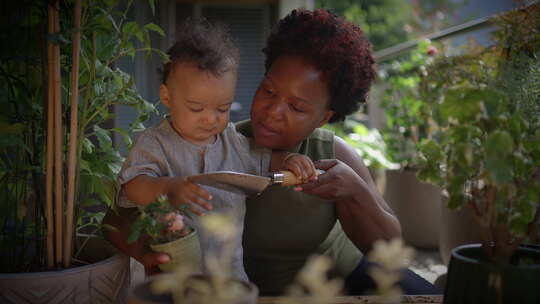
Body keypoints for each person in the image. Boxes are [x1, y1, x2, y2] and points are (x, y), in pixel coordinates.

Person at [104, 9, 440, 296]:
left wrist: (354, 190)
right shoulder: (225, 141)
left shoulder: (328, 152)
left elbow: (389, 250)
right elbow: (115, 220)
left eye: (295, 106)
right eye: (268, 90)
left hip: (341, 283)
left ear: (323, 116)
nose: (272, 111)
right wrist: (149, 256)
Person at [116, 18, 317, 281]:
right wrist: (167, 189)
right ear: (167, 97)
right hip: (170, 276)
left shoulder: (231, 141)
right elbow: (133, 186)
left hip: (228, 276)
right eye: (196, 108)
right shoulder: (153, 144)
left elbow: (265, 160)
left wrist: (290, 159)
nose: (211, 119)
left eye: (222, 108)